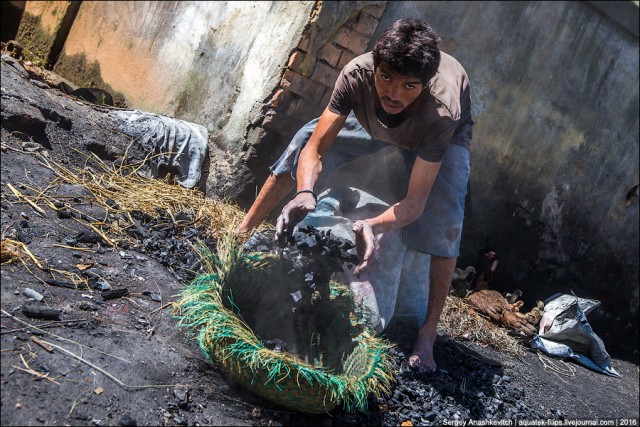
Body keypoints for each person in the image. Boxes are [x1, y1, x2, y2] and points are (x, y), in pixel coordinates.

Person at [236, 18, 473, 373]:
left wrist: (372, 224)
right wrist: (304, 192)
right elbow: (315, 149)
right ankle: (241, 231)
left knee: (446, 221)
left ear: (424, 85)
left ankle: (427, 334)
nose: (394, 93)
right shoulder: (356, 75)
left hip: (437, 137)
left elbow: (415, 203)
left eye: (409, 85)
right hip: (371, 119)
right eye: (387, 77)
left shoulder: (442, 110)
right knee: (302, 138)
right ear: (375, 65)